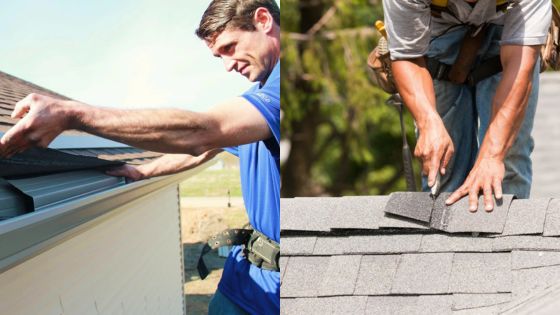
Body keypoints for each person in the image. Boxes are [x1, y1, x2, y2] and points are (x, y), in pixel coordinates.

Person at [0, 0, 280, 314]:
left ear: (263, 20)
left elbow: (204, 132)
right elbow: (203, 150)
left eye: (229, 48)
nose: (227, 66)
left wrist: (70, 115)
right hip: (243, 280)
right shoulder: (259, 97)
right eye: (219, 57)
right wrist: (143, 172)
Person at [382, 0, 551, 211]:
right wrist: (428, 123)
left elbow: (520, 65)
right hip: (434, 29)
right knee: (441, 165)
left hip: (509, 25)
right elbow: (408, 56)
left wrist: (492, 155)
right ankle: (443, 237)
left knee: (506, 163)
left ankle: (504, 237)